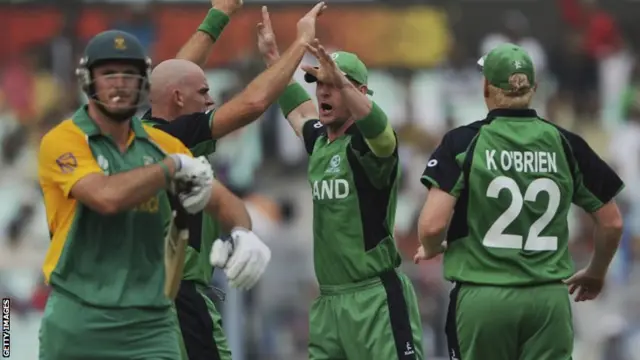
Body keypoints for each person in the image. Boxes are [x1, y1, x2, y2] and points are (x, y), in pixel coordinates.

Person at [37, 29, 270, 360]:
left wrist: (243, 232)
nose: (119, 84)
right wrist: (169, 169)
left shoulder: (164, 147)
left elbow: (223, 201)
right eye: (108, 74)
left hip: (150, 324)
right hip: (79, 315)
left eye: (129, 75)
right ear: (88, 81)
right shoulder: (64, 141)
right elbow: (106, 198)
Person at [415, 43, 625, 360]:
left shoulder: (462, 142)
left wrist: (431, 248)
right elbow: (612, 223)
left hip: (483, 298)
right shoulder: (567, 144)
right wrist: (596, 272)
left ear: (486, 86)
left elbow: (432, 226)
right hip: (548, 301)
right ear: (534, 88)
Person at [140, 3, 325, 359]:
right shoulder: (180, 137)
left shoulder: (149, 131)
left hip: (149, 291)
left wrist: (219, 13)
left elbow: (177, 74)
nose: (210, 100)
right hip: (181, 292)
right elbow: (254, 103)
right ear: (178, 99)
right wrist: (299, 43)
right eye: (203, 93)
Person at [257, 8, 424, 359]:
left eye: (333, 85)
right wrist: (274, 57)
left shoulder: (369, 146)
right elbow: (297, 111)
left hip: (374, 298)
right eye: (319, 84)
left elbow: (385, 139)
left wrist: (343, 83)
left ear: (359, 91)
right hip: (329, 301)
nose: (323, 93)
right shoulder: (320, 140)